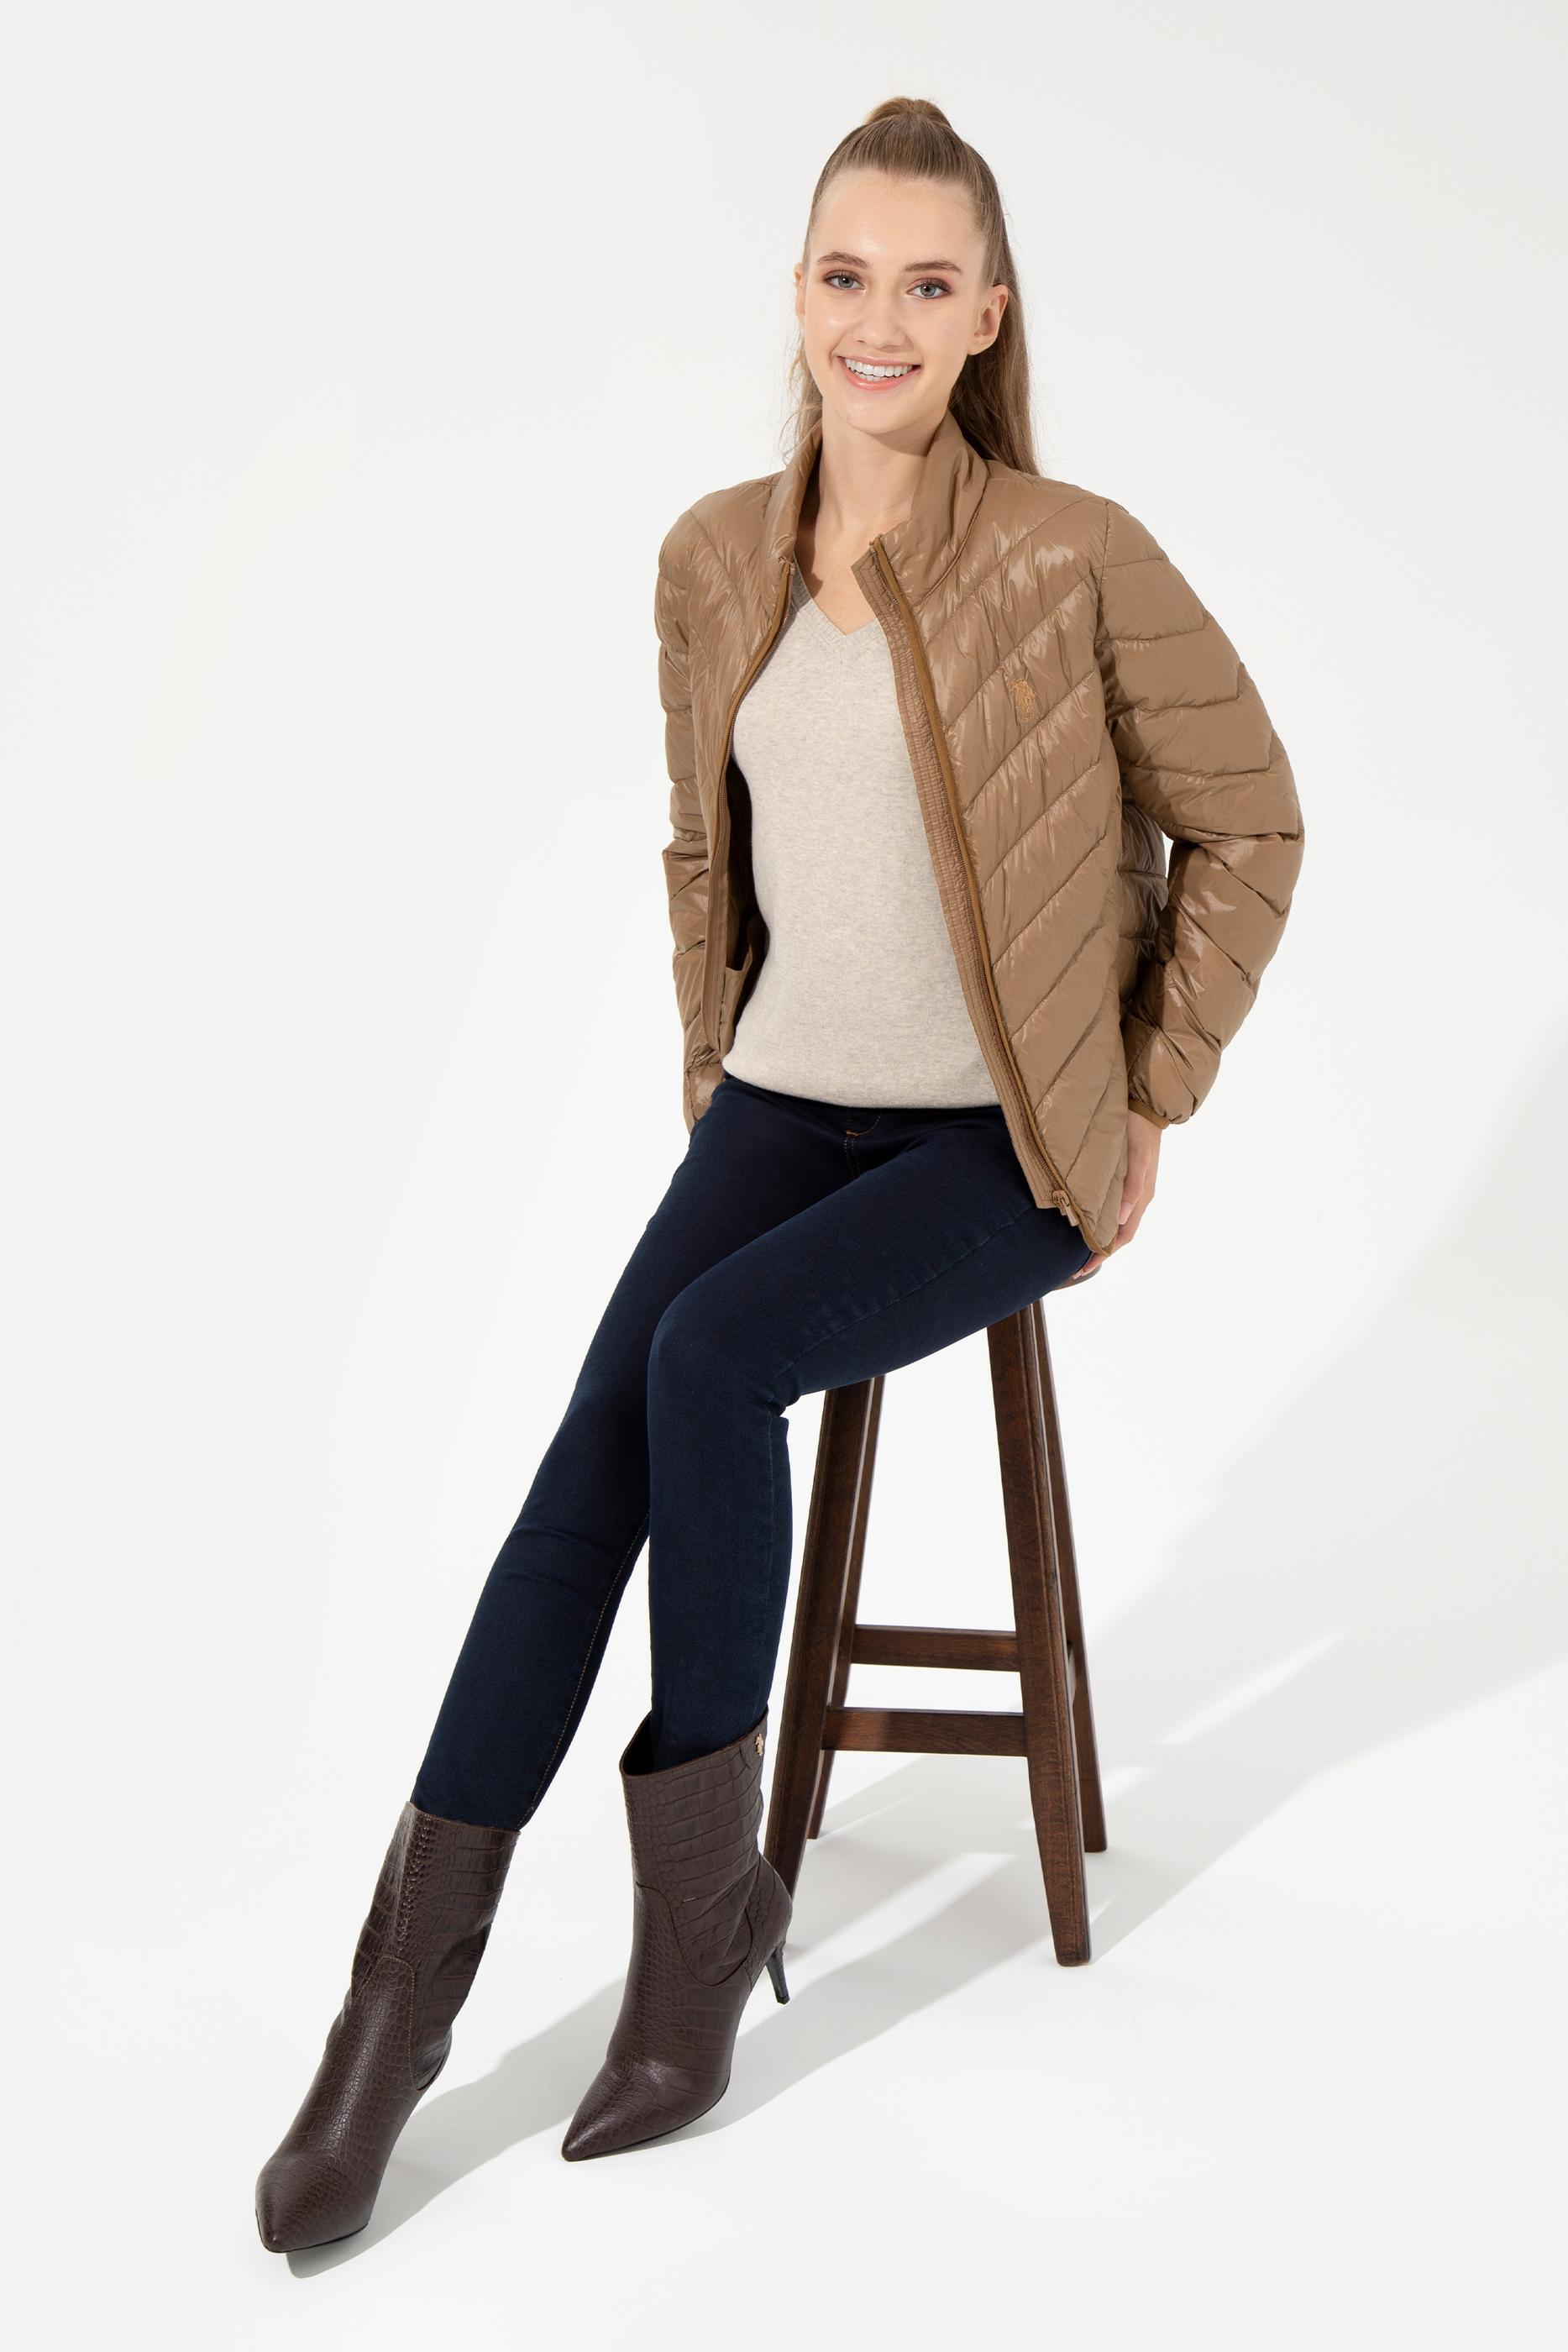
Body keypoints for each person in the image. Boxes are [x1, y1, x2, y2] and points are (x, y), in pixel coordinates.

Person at [255, 95, 1304, 2253]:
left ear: (988, 313)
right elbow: (699, 845)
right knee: (586, 1460)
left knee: (712, 1357)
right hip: (778, 1105)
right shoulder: (713, 553)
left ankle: (693, 1954)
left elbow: (1253, 818)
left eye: (927, 282)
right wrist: (704, 1069)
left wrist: (1145, 1097)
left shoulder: (1072, 551)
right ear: (799, 294)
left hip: (993, 1145)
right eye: (846, 275)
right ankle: (385, 2029)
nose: (878, 319)